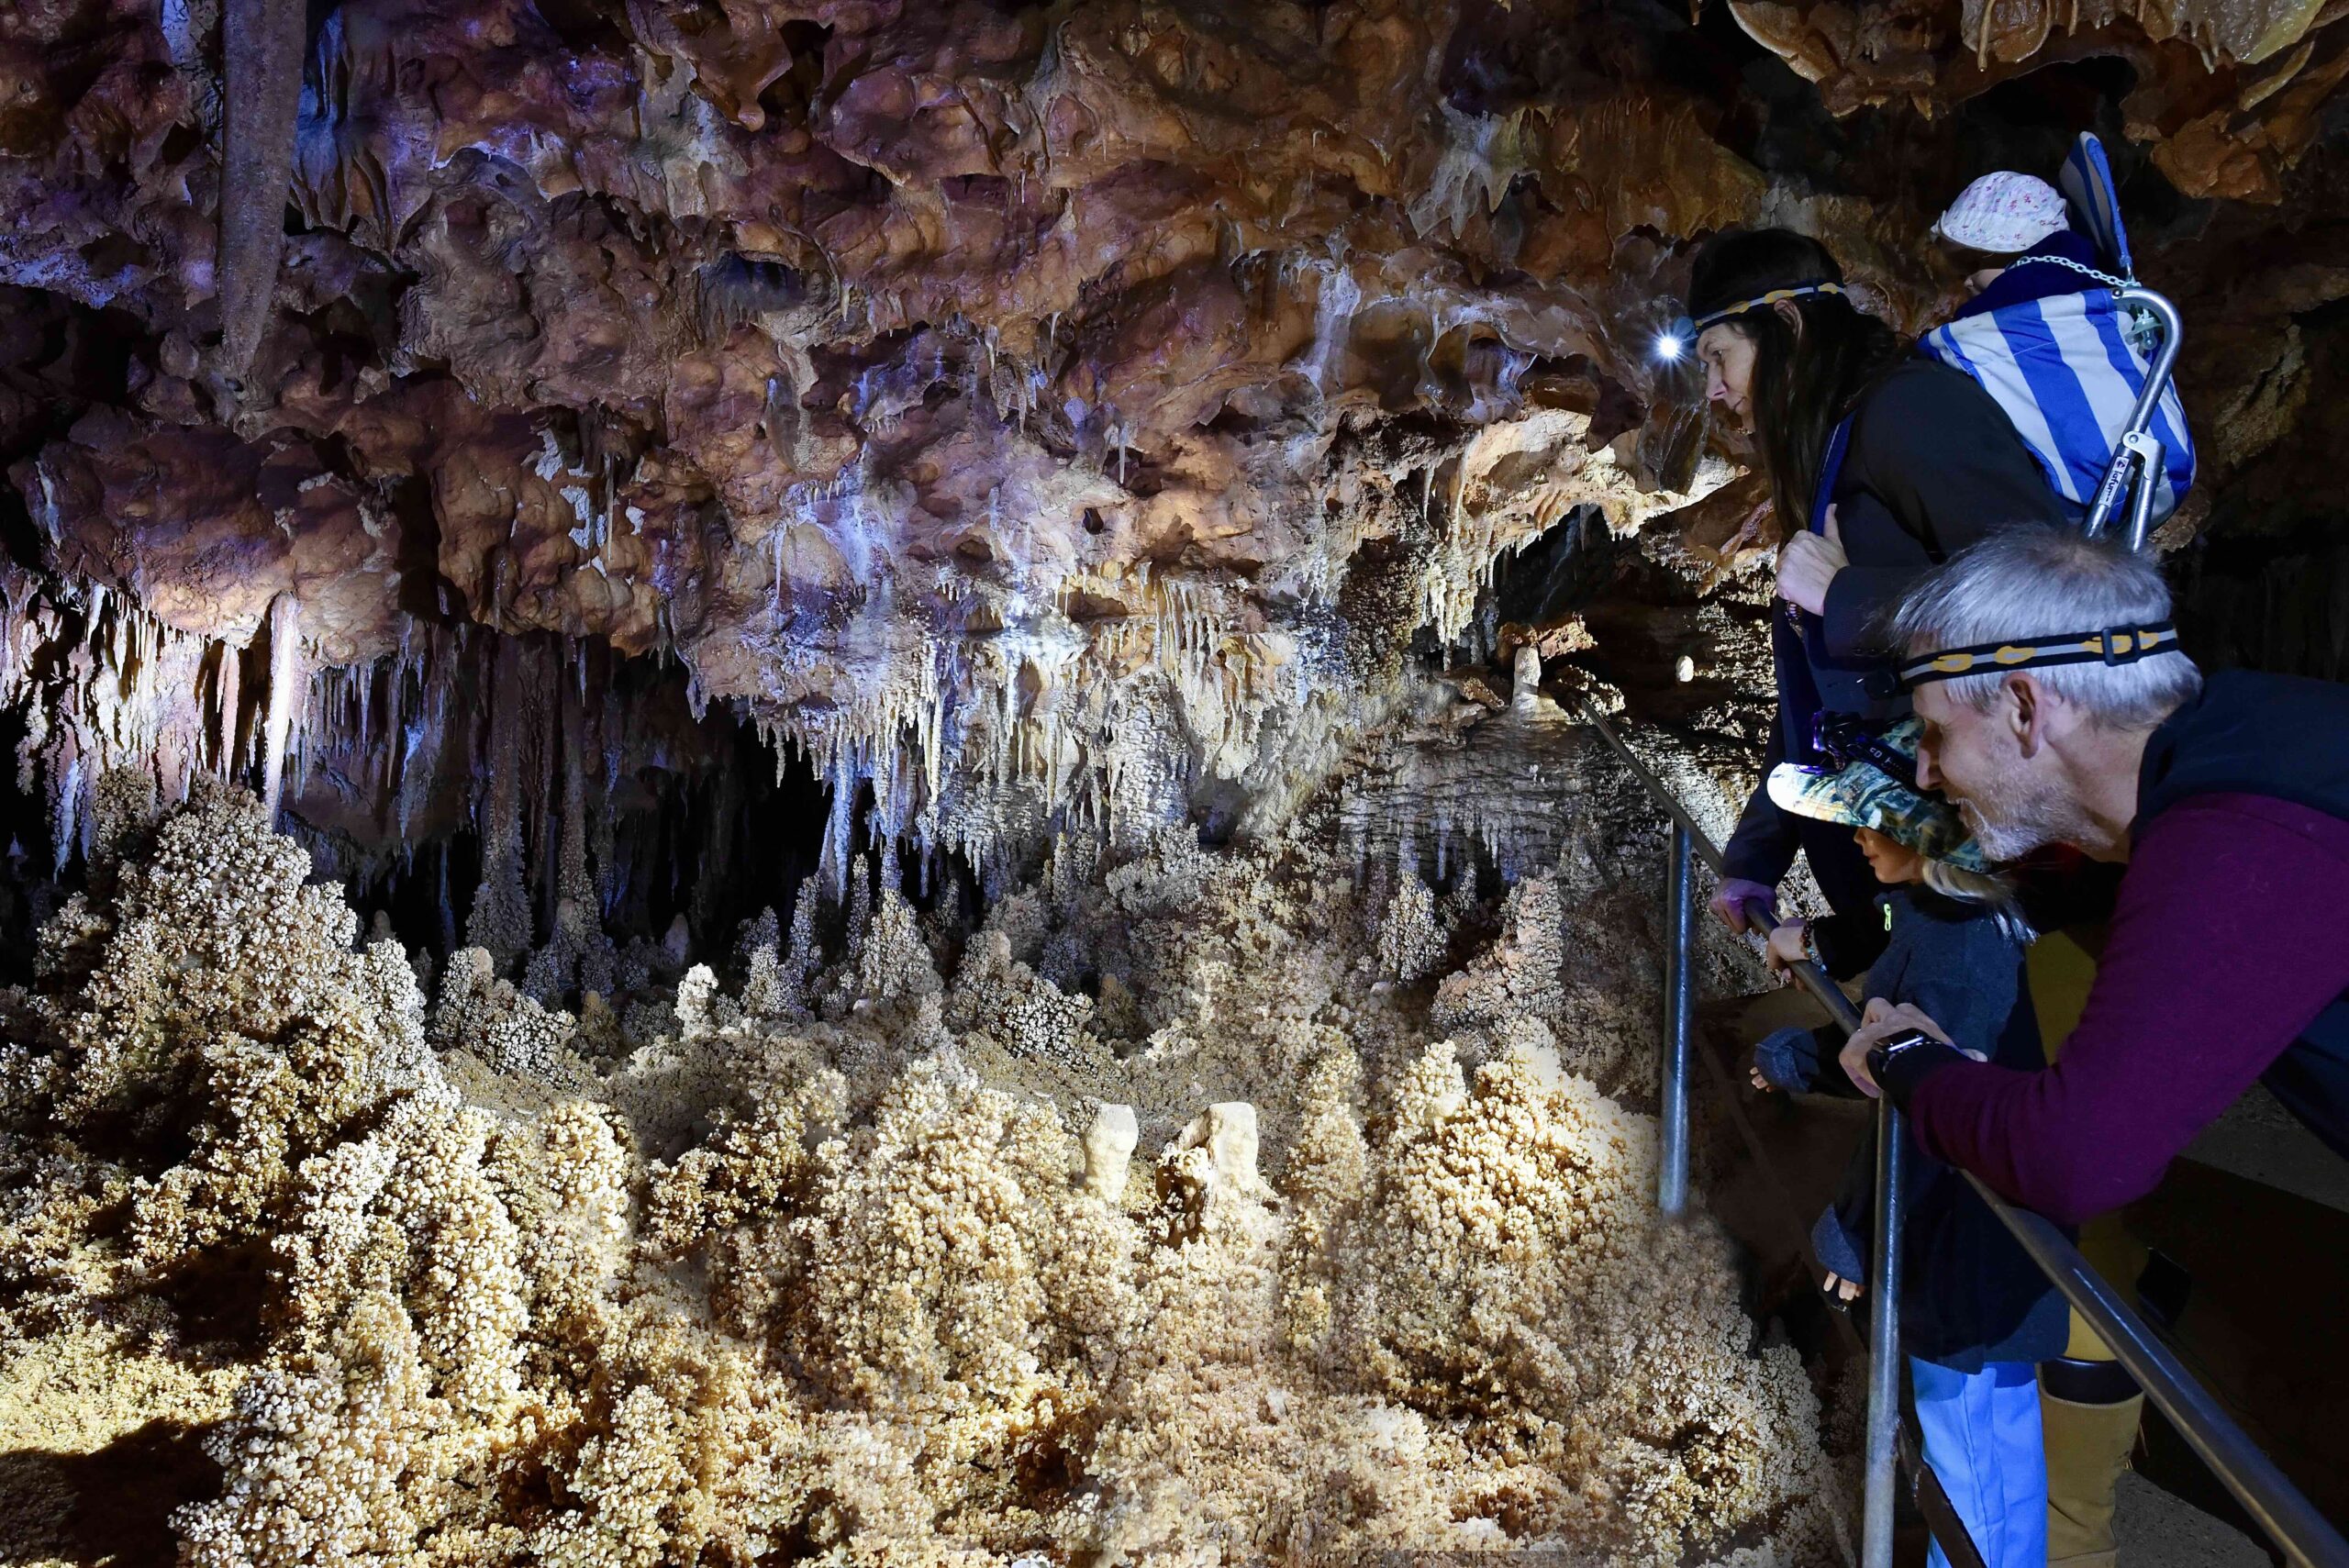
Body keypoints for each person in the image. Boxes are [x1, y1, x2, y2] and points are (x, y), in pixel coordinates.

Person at [1839, 523, 2349, 1227]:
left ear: (2024, 709)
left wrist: (1905, 1058)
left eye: (1937, 731)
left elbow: (2072, 1156)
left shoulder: (2240, 832)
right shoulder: (2246, 750)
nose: (1926, 770)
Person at [1683, 228, 2071, 968]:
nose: (1714, 388)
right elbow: (1812, 699)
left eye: (1718, 356)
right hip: (1907, 895)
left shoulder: (1911, 410)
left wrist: (1846, 594)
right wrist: (1757, 854)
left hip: (1973, 887)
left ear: (1786, 324)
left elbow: (2050, 593)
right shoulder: (1834, 450)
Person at [1748, 736, 2065, 1568]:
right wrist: (1814, 959)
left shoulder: (1956, 952)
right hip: (1999, 1224)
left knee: (1967, 1461)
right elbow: (1890, 990)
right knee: (1998, 1439)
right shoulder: (1952, 907)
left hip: (1965, 1234)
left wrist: (1855, 1229)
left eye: (1868, 820)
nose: (1855, 836)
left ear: (1921, 831)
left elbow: (1925, 1108)